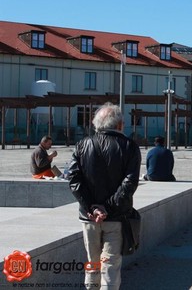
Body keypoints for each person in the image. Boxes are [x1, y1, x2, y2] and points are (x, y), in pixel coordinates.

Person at [68, 103, 141, 290]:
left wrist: (92, 207)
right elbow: (129, 183)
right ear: (119, 125)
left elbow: (74, 180)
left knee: (92, 263)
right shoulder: (130, 147)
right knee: (111, 265)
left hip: (89, 218)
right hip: (116, 217)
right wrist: (106, 208)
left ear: (96, 124)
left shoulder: (82, 145)